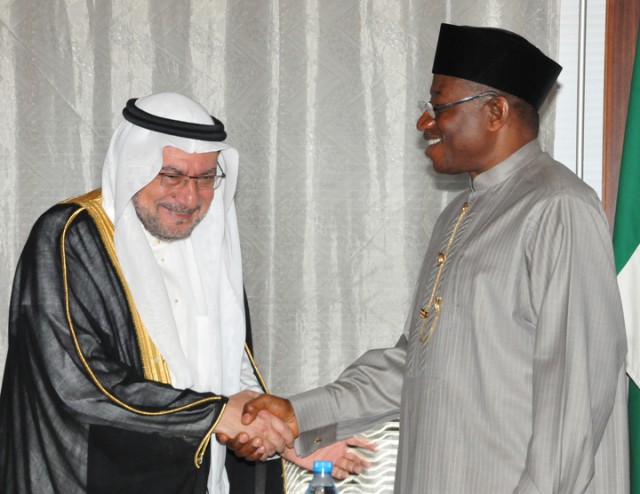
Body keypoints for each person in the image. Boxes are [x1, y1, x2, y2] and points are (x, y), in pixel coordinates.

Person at [227, 24, 630, 493]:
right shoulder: (459, 214)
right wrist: (298, 412)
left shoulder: (557, 208)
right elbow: (419, 365)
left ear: (495, 111)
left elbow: (573, 402)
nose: (424, 123)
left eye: (438, 107)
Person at [0, 92, 366, 494]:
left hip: (197, 478)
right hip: (97, 475)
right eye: (171, 176)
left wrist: (288, 439)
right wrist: (212, 416)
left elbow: (232, 368)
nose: (190, 198)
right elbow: (77, 379)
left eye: (206, 178)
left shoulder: (208, 242)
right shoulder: (72, 236)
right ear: (134, 167)